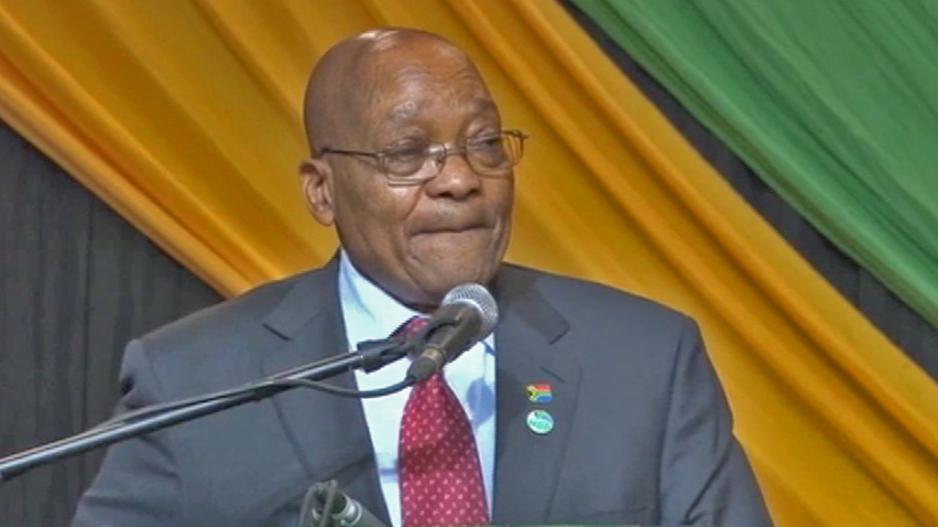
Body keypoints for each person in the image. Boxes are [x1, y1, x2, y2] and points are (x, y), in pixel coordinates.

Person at [72, 28, 772, 527]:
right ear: (322, 191)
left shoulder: (644, 361)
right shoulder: (195, 382)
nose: (461, 179)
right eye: (407, 155)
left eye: (485, 144)